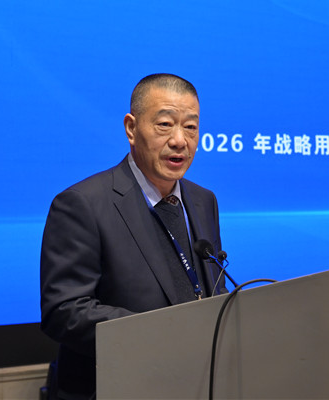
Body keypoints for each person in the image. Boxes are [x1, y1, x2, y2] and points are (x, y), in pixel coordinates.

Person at [40, 73, 226, 399]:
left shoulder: (203, 200)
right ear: (131, 128)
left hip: (196, 382)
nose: (180, 140)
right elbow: (64, 311)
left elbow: (212, 288)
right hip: (118, 385)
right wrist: (163, 332)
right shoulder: (83, 204)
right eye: (165, 124)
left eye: (191, 127)